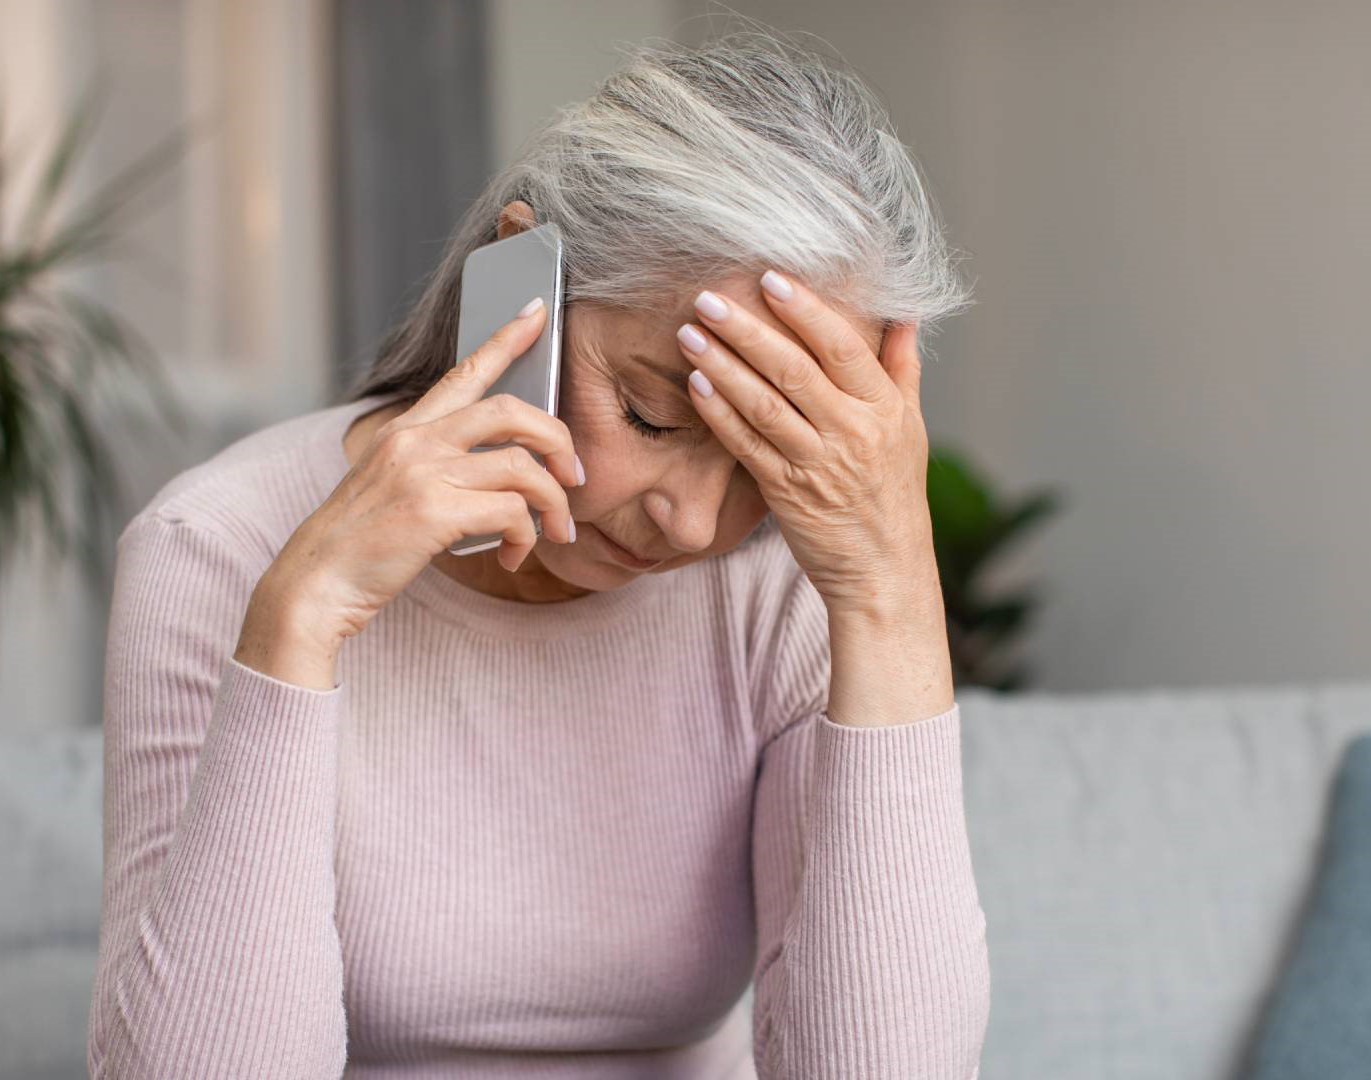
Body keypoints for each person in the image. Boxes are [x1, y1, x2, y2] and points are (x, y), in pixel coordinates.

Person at [87, 22, 989, 1079]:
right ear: (517, 289)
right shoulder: (217, 548)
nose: (693, 526)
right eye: (652, 417)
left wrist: (888, 592)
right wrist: (302, 620)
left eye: (762, 458)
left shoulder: (790, 583)